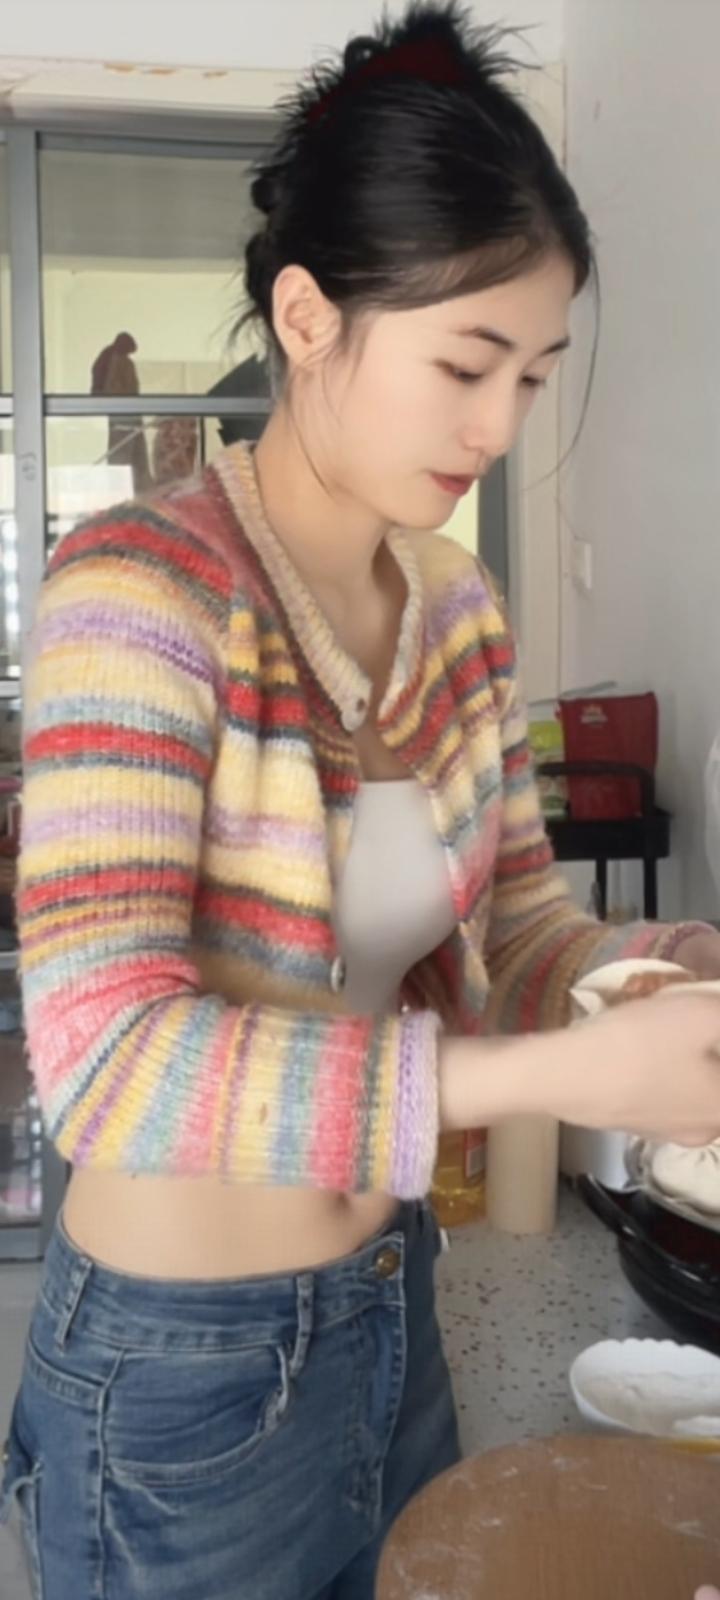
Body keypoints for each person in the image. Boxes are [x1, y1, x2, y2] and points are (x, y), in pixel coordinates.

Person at [3, 5, 720, 1597]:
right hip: (178, 1374)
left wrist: (658, 973)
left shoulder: (457, 609)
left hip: (393, 1303)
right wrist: (558, 1070)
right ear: (308, 316)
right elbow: (106, 1062)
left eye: (534, 375)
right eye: (465, 364)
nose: (499, 427)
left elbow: (518, 929)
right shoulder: (142, 591)